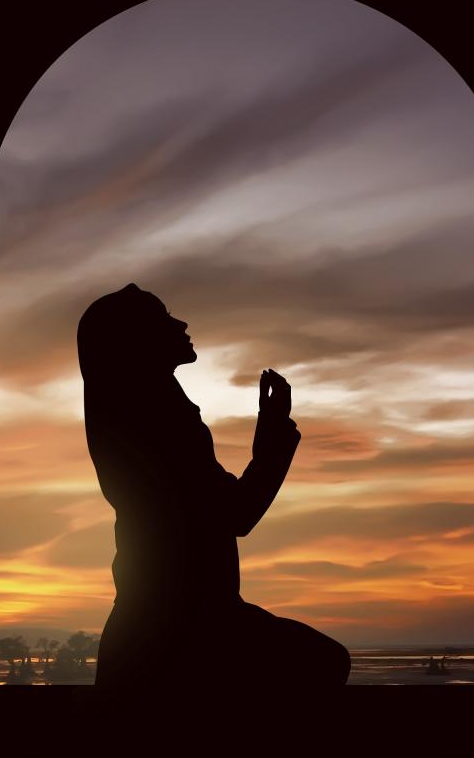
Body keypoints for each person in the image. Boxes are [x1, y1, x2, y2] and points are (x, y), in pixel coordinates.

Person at [77, 283, 350, 694]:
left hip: (170, 620)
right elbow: (237, 514)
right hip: (183, 624)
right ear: (138, 341)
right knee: (323, 661)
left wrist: (271, 439)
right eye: (164, 318)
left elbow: (227, 509)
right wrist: (273, 439)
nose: (181, 324)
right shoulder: (154, 420)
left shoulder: (149, 411)